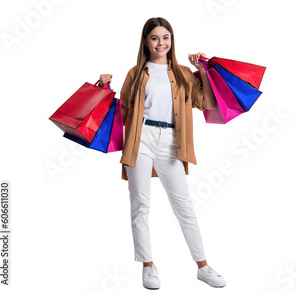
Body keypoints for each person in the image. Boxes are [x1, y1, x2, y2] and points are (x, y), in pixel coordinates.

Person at [99, 17, 225, 290]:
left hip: (171, 141)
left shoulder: (181, 73)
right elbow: (122, 113)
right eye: (155, 38)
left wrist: (200, 70)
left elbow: (205, 102)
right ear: (146, 41)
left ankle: (203, 267)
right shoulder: (136, 72)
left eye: (165, 37)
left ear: (172, 40)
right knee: (140, 206)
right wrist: (103, 90)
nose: (161, 43)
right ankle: (148, 266)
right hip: (140, 139)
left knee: (185, 208)